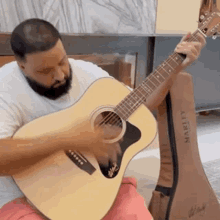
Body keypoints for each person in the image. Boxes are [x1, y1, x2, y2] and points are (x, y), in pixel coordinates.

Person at [0, 18, 205, 219]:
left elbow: (139, 107)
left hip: (96, 187)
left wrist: (177, 65)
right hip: (24, 197)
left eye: (62, 62)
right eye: (45, 71)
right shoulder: (5, 86)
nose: (60, 75)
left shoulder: (87, 73)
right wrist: (70, 138)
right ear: (22, 66)